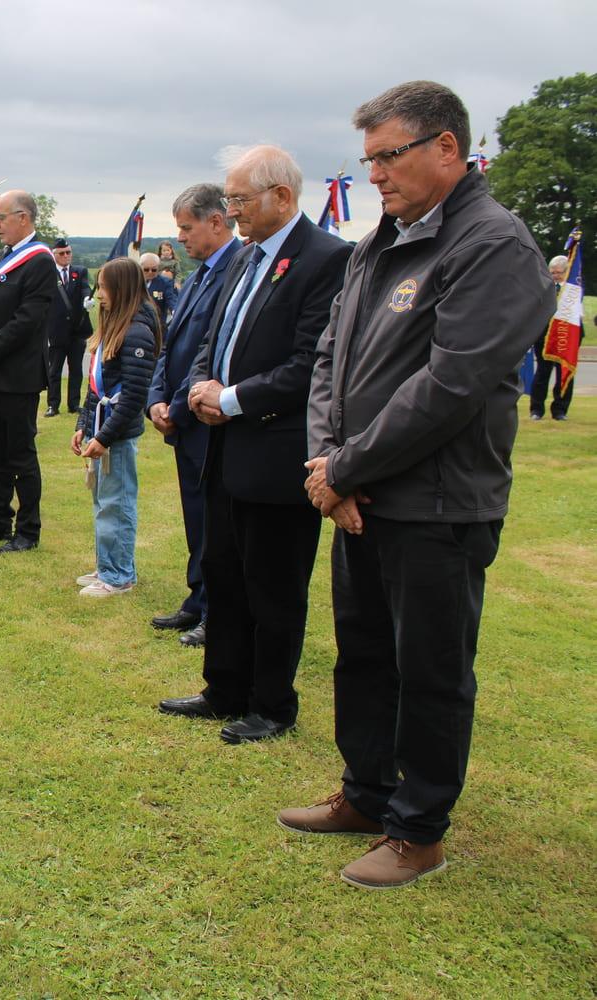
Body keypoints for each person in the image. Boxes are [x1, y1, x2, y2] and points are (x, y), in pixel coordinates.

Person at [285, 80, 549, 889]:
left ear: (446, 148)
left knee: (431, 671)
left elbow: (450, 387)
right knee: (362, 657)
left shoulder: (492, 246)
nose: (375, 176)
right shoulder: (381, 240)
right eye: (367, 161)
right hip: (362, 495)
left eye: (388, 157)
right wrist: (329, 462)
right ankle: (366, 795)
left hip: (437, 504)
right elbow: (332, 357)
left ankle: (419, 830)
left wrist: (346, 468)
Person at [157, 144, 351, 744]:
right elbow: (214, 338)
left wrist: (230, 398)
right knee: (226, 574)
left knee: (273, 587)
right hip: (223, 452)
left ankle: (271, 705)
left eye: (240, 200)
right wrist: (196, 389)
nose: (232, 210)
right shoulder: (244, 257)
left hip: (275, 455)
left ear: (282, 197)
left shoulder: (326, 259)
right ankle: (223, 689)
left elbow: (310, 364)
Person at [145, 184, 242, 647]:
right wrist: (156, 398)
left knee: (214, 524)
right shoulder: (201, 273)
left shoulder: (235, 271)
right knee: (194, 515)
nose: (180, 237)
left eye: (187, 227)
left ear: (216, 222)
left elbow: (211, 353)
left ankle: (215, 609)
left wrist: (179, 408)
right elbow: (173, 344)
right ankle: (196, 597)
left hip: (203, 418)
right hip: (181, 417)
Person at [0, 189, 59, 553]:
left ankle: (28, 530)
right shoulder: (5, 256)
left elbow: (27, 321)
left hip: (17, 376)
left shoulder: (39, 261)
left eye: (1, 218)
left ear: (24, 218)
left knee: (20, 454)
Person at [71, 258, 159, 596]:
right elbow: (97, 387)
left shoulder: (136, 330)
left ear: (121, 289)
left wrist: (105, 437)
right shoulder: (112, 326)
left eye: (104, 287)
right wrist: (83, 424)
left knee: (117, 504)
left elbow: (135, 395)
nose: (99, 295)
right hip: (101, 428)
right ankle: (107, 566)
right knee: (103, 501)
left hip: (117, 435)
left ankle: (119, 575)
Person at [529, 254, 582, 421]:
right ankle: (536, 410)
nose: (555, 276)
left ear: (567, 272)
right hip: (545, 335)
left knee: (564, 372)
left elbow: (578, 315)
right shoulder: (543, 287)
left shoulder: (574, 291)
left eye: (559, 272)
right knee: (542, 372)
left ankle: (560, 410)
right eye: (552, 272)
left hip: (566, 336)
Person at [44, 237, 93, 417]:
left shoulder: (79, 272)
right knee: (54, 370)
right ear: (54, 255)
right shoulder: (49, 273)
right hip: (56, 330)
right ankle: (52, 405)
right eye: (62, 253)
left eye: (68, 252)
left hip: (77, 330)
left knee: (76, 370)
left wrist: (87, 299)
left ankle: (74, 404)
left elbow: (85, 288)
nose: (66, 256)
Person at [140, 252, 178, 323]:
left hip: (158, 326)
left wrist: (175, 311)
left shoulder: (166, 283)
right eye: (146, 269)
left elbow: (171, 299)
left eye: (154, 270)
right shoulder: (134, 282)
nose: (150, 272)